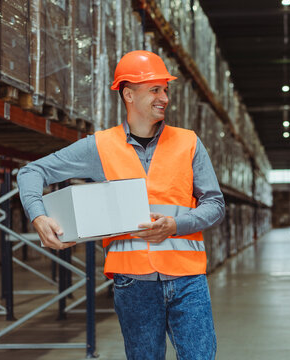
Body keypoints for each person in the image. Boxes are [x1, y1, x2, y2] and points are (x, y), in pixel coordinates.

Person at [18, 50, 225, 360]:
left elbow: (215, 204)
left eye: (165, 90)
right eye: (155, 89)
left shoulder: (189, 142)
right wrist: (38, 216)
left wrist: (176, 225)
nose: (164, 98)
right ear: (128, 93)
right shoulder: (99, 146)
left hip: (187, 280)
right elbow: (31, 171)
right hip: (133, 284)